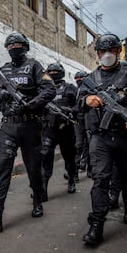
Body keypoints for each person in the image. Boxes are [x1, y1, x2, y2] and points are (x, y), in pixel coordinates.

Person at [0, 32, 56, 231]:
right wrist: (1, 92)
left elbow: (50, 90)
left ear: (25, 46)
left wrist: (31, 105)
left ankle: (37, 199)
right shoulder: (1, 71)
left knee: (33, 167)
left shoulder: (34, 66)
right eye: (10, 46)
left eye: (17, 45)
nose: (14, 48)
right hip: (9, 126)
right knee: (2, 167)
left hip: (30, 125)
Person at [80, 33, 127, 245]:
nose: (107, 55)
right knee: (100, 179)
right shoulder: (91, 79)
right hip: (100, 137)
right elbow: (78, 103)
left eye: (111, 51)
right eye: (103, 51)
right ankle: (96, 226)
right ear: (97, 53)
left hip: (126, 137)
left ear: (118, 52)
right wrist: (87, 100)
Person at [41, 62, 78, 202]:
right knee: (45, 158)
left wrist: (70, 111)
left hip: (66, 128)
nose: (53, 74)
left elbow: (79, 106)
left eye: (55, 72)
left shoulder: (70, 88)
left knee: (69, 157)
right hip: (49, 129)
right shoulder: (43, 90)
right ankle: (43, 189)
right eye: (51, 72)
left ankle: (71, 180)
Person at [73, 71, 92, 178]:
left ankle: (89, 169)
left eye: (81, 77)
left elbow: (82, 105)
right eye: (77, 78)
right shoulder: (76, 89)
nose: (78, 79)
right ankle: (74, 172)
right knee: (79, 145)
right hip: (78, 121)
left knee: (89, 145)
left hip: (88, 120)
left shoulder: (88, 89)